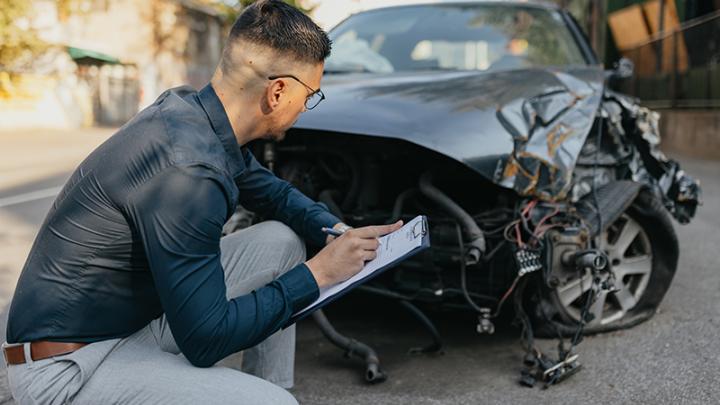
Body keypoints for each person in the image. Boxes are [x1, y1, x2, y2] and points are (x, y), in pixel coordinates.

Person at [2, 1, 402, 403]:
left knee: (280, 241)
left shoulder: (195, 117)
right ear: (278, 91)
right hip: (66, 370)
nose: (305, 107)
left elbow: (274, 193)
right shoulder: (187, 173)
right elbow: (206, 340)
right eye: (310, 95)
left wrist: (339, 233)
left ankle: (264, 386)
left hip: (130, 322)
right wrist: (319, 274)